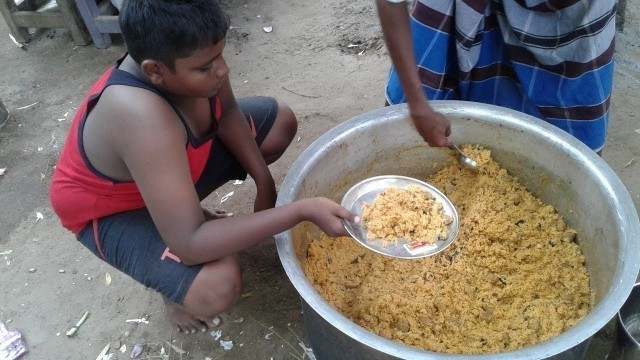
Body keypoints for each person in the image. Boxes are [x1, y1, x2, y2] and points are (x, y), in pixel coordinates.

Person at [49, 0, 358, 334]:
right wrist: (299, 211)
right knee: (219, 284)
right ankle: (171, 287)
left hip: (168, 166)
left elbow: (226, 114)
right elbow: (191, 244)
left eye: (220, 55)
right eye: (206, 66)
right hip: (114, 212)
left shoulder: (194, 62)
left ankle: (177, 212)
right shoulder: (140, 116)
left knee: (279, 123)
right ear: (155, 71)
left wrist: (264, 183)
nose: (222, 70)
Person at [376, 0, 616, 153]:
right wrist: (417, 103)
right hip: (468, 6)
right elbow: (391, 3)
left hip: (573, 18)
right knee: (407, 118)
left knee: (572, 144)